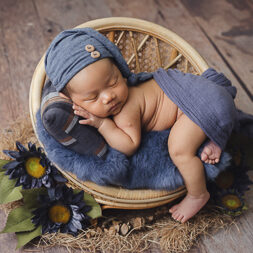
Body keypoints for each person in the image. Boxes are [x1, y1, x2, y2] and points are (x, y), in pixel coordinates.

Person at [45, 28, 238, 223]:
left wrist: (103, 124)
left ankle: (198, 194)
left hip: (203, 104)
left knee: (179, 149)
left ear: (121, 73)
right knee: (194, 130)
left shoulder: (125, 110)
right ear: (73, 102)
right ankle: (214, 137)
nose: (108, 97)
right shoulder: (109, 98)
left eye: (112, 83)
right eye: (93, 97)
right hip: (214, 99)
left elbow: (129, 145)